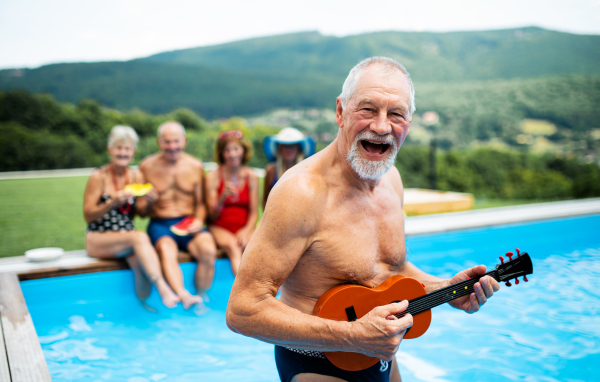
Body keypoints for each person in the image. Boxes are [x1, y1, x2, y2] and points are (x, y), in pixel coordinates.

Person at [226, 57, 500, 382]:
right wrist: (351, 335)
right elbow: (243, 309)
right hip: (314, 361)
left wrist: (445, 288)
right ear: (340, 112)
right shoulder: (301, 193)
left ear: (408, 123)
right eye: (367, 109)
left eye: (395, 114)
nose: (382, 126)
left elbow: (390, 270)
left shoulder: (391, 180)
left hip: (379, 355)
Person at [84, 125, 179, 308]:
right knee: (140, 237)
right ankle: (163, 289)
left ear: (133, 152)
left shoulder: (136, 176)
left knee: (139, 264)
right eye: (118, 147)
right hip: (98, 238)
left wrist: (149, 201)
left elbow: (140, 213)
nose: (123, 152)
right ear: (109, 149)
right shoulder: (98, 177)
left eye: (127, 148)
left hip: (125, 238)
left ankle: (142, 306)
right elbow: (88, 216)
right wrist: (113, 201)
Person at [138, 121, 217, 309]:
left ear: (184, 141)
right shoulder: (147, 167)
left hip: (189, 222)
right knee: (166, 250)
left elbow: (201, 204)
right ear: (159, 142)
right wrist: (148, 200)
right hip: (161, 223)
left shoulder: (195, 166)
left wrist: (198, 220)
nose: (172, 147)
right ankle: (182, 294)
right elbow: (140, 212)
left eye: (176, 141)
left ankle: (200, 296)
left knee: (208, 250)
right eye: (167, 142)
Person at [205, 130, 259, 276]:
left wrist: (246, 230)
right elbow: (211, 216)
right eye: (227, 150)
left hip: (243, 226)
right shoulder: (213, 176)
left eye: (236, 149)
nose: (232, 154)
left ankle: (264, 290)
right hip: (219, 226)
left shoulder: (252, 176)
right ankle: (242, 293)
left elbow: (254, 212)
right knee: (233, 247)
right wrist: (222, 197)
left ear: (243, 150)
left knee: (254, 248)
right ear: (221, 153)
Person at [262, 127, 315, 210]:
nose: (289, 150)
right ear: (280, 148)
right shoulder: (271, 170)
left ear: (299, 149)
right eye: (285, 146)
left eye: (292, 146)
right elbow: (265, 199)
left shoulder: (307, 171)